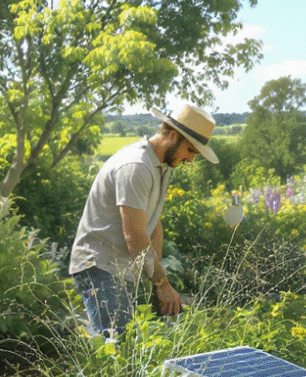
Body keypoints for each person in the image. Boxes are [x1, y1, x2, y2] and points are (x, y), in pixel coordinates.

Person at [69, 102, 218, 337]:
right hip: (100, 265)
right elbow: (135, 236)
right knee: (114, 349)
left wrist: (153, 282)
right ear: (172, 135)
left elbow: (153, 226)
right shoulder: (137, 166)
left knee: (129, 350)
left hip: (121, 267)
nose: (191, 159)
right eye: (190, 150)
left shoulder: (161, 167)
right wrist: (162, 285)